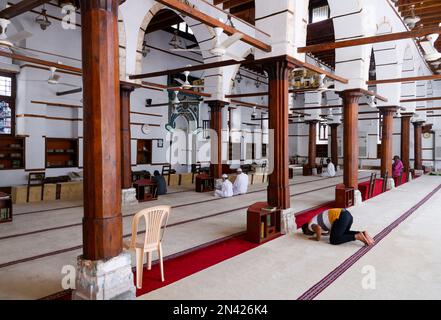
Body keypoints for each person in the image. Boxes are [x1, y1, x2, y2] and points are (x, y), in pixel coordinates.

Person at [301, 208, 375, 246]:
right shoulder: (316, 220)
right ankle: (362, 233)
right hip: (347, 214)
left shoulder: (310, 225)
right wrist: (328, 232)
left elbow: (318, 228)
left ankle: (357, 236)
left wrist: (317, 238)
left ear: (306, 230)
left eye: (307, 233)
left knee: (334, 240)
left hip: (340, 216)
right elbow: (329, 223)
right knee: (343, 233)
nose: (309, 234)